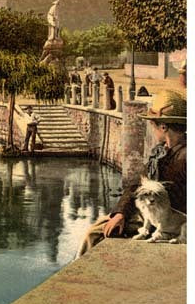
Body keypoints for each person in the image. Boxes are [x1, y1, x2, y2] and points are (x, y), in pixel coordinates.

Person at [76, 90, 186, 258]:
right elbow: (136, 184)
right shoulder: (160, 152)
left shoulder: (185, 156)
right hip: (152, 213)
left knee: (95, 234)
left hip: (172, 220)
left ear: (163, 127)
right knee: (100, 228)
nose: (152, 128)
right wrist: (120, 212)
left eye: (153, 124)